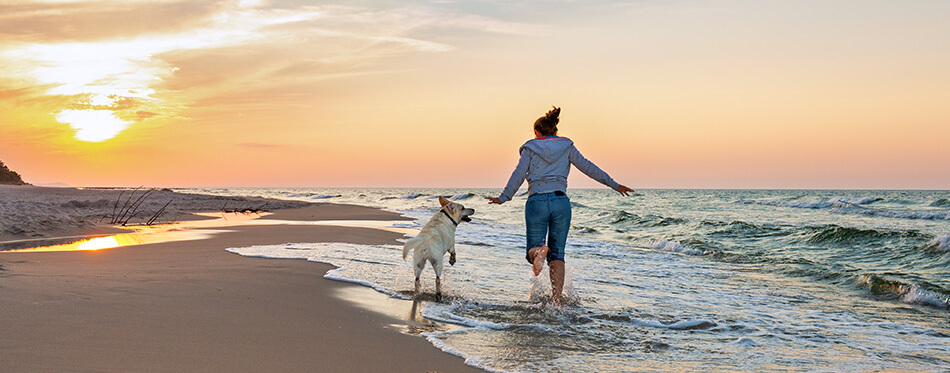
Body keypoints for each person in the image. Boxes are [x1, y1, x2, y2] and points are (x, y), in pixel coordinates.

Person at [487, 106, 633, 304]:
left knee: (534, 249)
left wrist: (504, 197)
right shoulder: (566, 147)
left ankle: (538, 253)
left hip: (537, 201)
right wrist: (614, 185)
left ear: (537, 132)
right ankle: (557, 301)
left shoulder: (530, 149)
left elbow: (518, 175)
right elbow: (589, 168)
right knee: (557, 254)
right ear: (555, 131)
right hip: (560, 202)